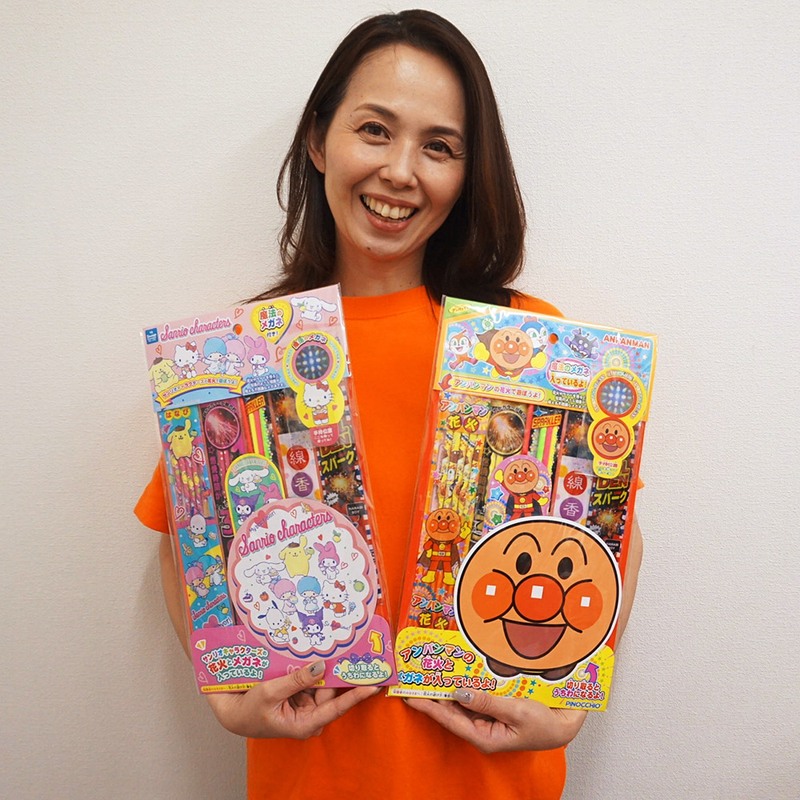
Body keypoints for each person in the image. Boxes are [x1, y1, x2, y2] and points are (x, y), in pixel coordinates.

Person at [135, 9, 643, 799]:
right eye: (374, 130)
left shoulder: (528, 346)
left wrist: (573, 702)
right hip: (313, 778)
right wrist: (226, 697)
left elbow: (610, 535)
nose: (401, 171)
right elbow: (189, 540)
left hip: (492, 780)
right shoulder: (245, 356)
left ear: (467, 174)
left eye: (439, 146)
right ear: (319, 140)